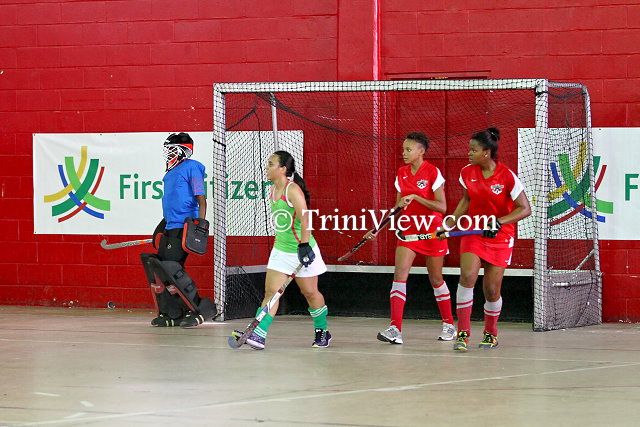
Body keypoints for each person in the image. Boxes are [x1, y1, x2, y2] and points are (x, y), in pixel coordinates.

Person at [439, 127, 531, 351]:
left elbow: (524, 209)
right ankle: (463, 333)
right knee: (467, 276)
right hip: (473, 232)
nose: (469, 153)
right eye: (469, 149)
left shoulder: (506, 175)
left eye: (474, 150)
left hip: (500, 236)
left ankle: (490, 333)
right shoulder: (467, 172)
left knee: (491, 290)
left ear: (487, 153)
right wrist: (449, 223)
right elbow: (466, 200)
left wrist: (499, 222)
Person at [365, 132, 456, 344]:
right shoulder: (402, 173)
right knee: (399, 275)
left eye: (408, 149)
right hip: (408, 232)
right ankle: (395, 329)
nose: (404, 153)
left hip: (432, 233)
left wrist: (416, 197)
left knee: (436, 279)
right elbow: (398, 207)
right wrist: (378, 228)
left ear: (421, 151)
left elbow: (442, 207)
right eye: (403, 149)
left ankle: (449, 325)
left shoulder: (433, 172)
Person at [234, 150, 330, 350]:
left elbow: (305, 218)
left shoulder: (292, 190)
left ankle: (322, 331)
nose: (266, 168)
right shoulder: (272, 189)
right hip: (281, 250)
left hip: (302, 249)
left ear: (283, 169)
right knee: (271, 293)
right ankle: (258, 334)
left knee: (310, 293)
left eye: (271, 164)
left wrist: (304, 245)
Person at [144, 132, 214, 328]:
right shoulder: (170, 173)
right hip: (170, 225)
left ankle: (200, 308)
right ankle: (172, 313)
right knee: (161, 270)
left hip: (184, 226)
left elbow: (201, 199)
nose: (168, 153)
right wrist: (162, 225)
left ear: (184, 150)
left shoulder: (193, 167)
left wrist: (200, 224)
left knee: (173, 269)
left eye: (172, 150)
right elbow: (171, 202)